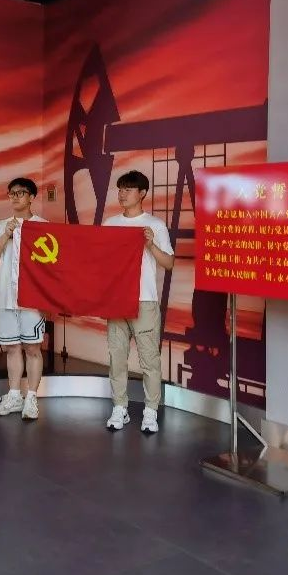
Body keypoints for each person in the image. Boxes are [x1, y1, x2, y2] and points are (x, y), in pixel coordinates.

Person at [102, 171, 174, 434]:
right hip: (116, 299)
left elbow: (169, 263)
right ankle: (119, 407)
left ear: (142, 193)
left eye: (128, 189)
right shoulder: (110, 224)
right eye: (120, 189)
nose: (122, 194)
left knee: (149, 359)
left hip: (145, 300)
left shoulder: (155, 225)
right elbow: (98, 260)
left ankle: (150, 411)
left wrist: (150, 244)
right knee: (117, 357)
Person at [0, 178, 48, 420]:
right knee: (12, 347)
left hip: (32, 298)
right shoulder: (2, 225)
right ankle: (13, 396)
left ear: (31, 197)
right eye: (12, 193)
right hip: (6, 297)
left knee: (32, 348)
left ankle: (31, 397)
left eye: (21, 193)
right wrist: (6, 234)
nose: (15, 197)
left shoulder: (43, 226)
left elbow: (53, 262)